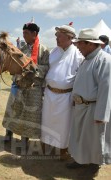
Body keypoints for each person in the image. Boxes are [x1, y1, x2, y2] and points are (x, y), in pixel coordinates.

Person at [66, 28, 111, 177]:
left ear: (90, 44)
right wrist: (75, 98)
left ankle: (94, 165)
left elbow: (106, 89)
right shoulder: (87, 58)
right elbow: (80, 81)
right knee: (79, 136)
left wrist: (101, 115)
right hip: (81, 107)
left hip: (94, 108)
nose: (77, 47)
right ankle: (80, 159)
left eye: (80, 44)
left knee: (94, 140)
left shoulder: (105, 60)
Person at [2, 22, 49, 148]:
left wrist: (31, 68)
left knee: (28, 115)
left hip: (33, 87)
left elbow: (46, 68)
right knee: (13, 110)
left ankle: (24, 139)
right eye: (23, 33)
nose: (24, 36)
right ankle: (8, 133)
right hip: (19, 85)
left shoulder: (43, 50)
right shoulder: (21, 49)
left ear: (34, 34)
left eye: (26, 33)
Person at [40, 23, 83, 159]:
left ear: (69, 38)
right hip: (49, 94)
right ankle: (46, 147)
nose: (56, 38)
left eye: (59, 36)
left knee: (64, 125)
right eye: (56, 35)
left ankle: (63, 151)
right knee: (47, 121)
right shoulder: (54, 51)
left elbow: (80, 77)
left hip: (66, 96)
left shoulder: (78, 54)